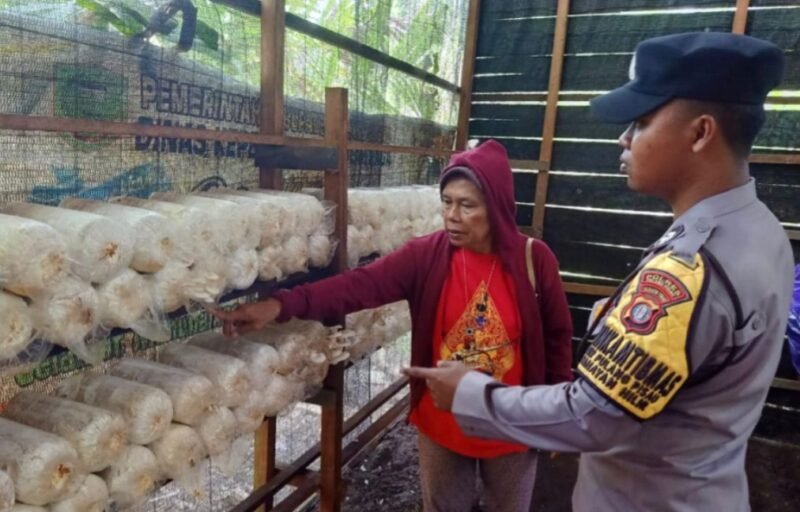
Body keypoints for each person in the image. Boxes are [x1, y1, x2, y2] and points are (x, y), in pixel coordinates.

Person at [404, 31, 794, 512]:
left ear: (700, 133)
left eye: (642, 121)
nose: (624, 138)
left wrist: (471, 394)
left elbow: (593, 415)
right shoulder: (762, 230)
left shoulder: (690, 266)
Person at [212, 139, 574, 511]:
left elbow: (558, 338)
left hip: (510, 425)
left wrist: (556, 417)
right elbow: (358, 286)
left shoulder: (534, 260)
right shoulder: (427, 256)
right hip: (443, 424)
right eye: (447, 202)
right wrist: (278, 306)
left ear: (497, 207)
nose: (452, 215)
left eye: (467, 205)